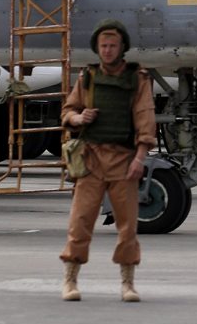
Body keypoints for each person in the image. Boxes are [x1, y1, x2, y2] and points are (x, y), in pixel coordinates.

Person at [59, 20, 156, 302]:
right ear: (97, 48)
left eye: (113, 45)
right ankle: (70, 280)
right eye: (104, 45)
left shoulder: (137, 79)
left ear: (122, 47)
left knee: (128, 227)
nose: (108, 50)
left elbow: (145, 119)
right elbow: (68, 111)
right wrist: (79, 118)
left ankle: (128, 284)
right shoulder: (87, 77)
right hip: (91, 160)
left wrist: (140, 158)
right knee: (80, 222)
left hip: (124, 162)